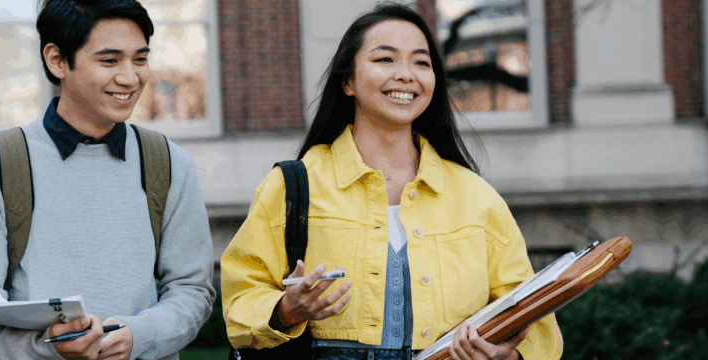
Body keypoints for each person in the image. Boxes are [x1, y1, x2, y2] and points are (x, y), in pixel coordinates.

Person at [221, 3, 562, 360]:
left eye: (421, 63)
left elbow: (537, 323)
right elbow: (241, 300)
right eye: (385, 59)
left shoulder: (477, 197)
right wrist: (286, 311)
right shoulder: (292, 187)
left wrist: (508, 356)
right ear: (348, 81)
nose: (406, 75)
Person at [0, 1, 215, 359]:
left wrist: (138, 336)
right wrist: (49, 349)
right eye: (110, 60)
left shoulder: (169, 163)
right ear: (57, 60)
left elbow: (193, 292)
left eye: (139, 59)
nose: (130, 78)